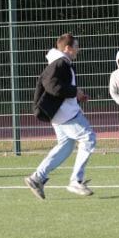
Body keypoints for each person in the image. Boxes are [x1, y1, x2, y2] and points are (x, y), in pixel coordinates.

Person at [25, 33, 96, 199]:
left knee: (66, 146)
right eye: (76, 47)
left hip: (59, 112)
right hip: (64, 113)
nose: (78, 50)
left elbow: (57, 86)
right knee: (89, 138)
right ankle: (76, 181)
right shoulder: (61, 62)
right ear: (67, 48)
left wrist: (76, 95)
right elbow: (51, 85)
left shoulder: (61, 62)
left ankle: (37, 178)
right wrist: (74, 92)